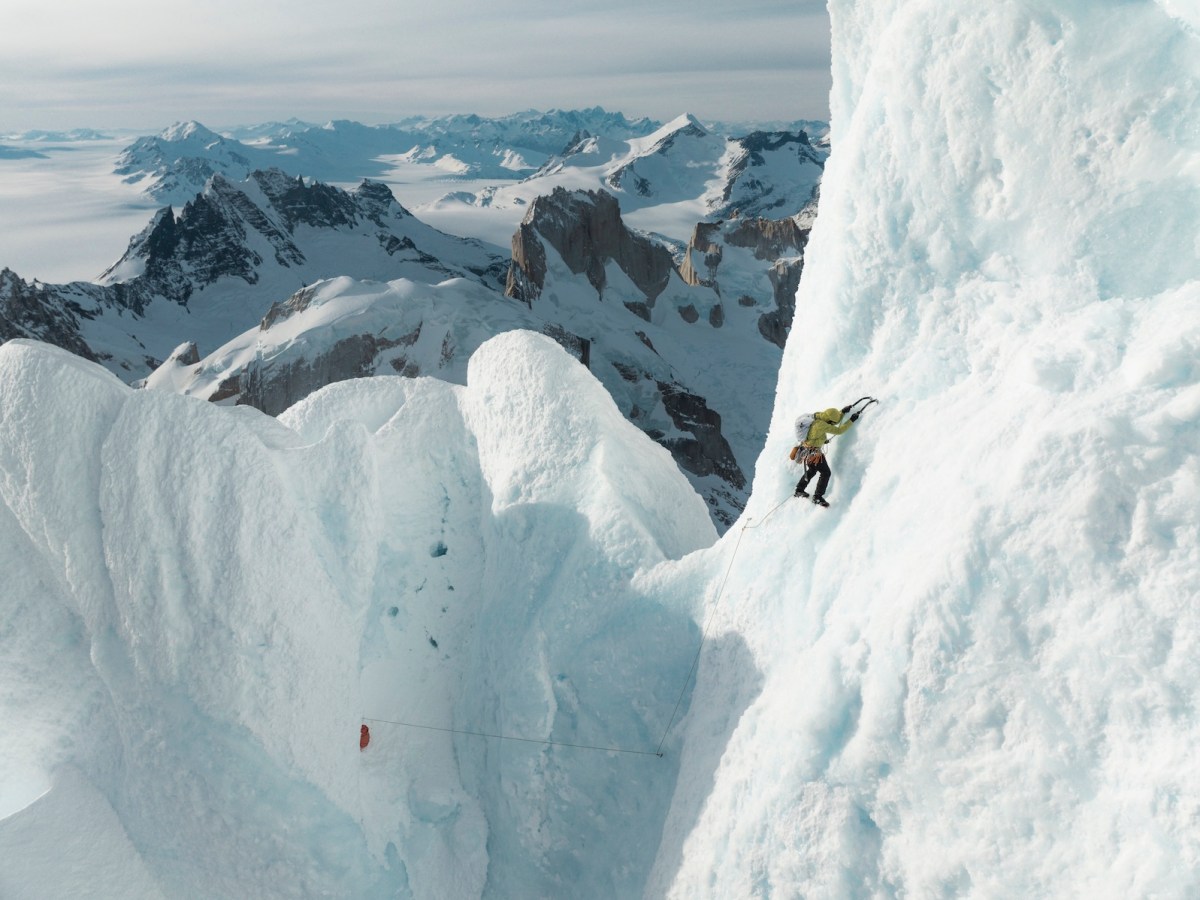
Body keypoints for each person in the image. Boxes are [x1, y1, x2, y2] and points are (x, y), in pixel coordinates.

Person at [793, 406, 860, 507]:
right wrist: (851, 420)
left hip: (807, 451)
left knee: (812, 470)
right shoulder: (821, 425)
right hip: (814, 453)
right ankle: (817, 497)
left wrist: (842, 412)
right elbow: (839, 430)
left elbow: (832, 421)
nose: (832, 423)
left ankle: (799, 490)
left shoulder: (819, 416)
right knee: (825, 473)